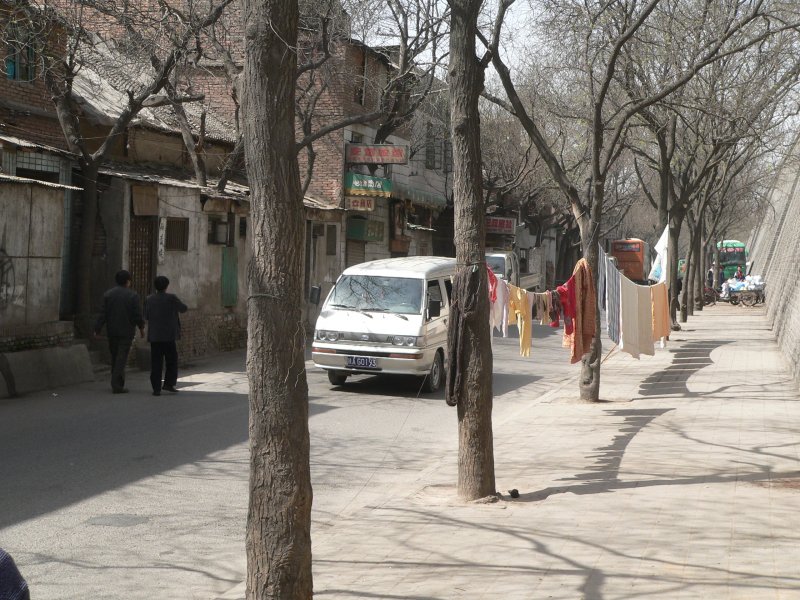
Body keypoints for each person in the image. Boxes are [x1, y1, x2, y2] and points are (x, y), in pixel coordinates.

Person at [94, 270, 144, 394]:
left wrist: (97, 329)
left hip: (112, 331)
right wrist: (141, 328)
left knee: (115, 356)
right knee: (121, 357)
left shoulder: (108, 294)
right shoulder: (133, 296)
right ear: (128, 281)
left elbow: (102, 314)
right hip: (126, 331)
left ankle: (118, 382)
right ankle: (116, 384)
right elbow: (137, 314)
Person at [144, 276, 187, 396]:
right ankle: (168, 383)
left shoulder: (149, 299)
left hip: (155, 336)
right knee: (171, 361)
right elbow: (183, 309)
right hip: (169, 335)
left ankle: (156, 388)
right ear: (166, 286)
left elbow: (146, 316)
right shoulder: (171, 298)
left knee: (156, 362)